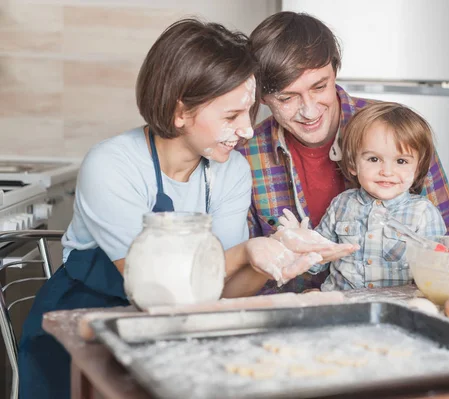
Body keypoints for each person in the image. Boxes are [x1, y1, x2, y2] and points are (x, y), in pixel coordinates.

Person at [17, 18, 354, 399]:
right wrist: (243, 252)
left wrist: (266, 263)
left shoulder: (232, 170)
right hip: (82, 331)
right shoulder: (112, 165)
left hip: (177, 328)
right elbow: (151, 284)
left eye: (249, 114)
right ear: (180, 112)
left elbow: (221, 294)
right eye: (231, 117)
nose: (246, 131)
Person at [238, 11, 449, 294]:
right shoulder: (245, 155)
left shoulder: (397, 132)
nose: (309, 111)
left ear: (335, 70)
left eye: (320, 87)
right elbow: (243, 272)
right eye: (286, 98)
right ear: (261, 96)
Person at [307, 102, 447, 290]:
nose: (387, 171)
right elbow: (315, 262)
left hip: (395, 309)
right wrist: (300, 243)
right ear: (352, 164)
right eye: (374, 159)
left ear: (418, 168)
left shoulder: (424, 214)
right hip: (339, 304)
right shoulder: (341, 204)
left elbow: (437, 275)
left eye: (401, 161)